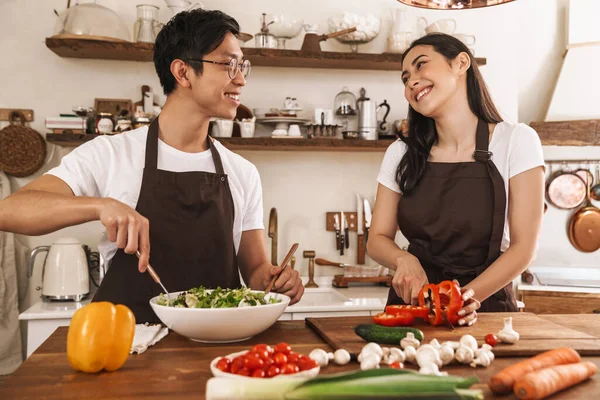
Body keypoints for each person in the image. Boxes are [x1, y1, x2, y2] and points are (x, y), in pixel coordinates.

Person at [0, 9, 304, 323]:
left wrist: (274, 281)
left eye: (243, 66)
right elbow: (10, 211)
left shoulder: (241, 171)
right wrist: (100, 206)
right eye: (229, 64)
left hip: (217, 350)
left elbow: (255, 272)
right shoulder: (112, 154)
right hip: (125, 349)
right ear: (183, 73)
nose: (240, 78)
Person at [367, 33, 544, 326]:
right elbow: (377, 240)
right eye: (405, 77)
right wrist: (403, 259)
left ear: (461, 63)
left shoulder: (516, 141)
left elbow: (524, 249)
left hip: (484, 309)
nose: (411, 81)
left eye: (421, 65)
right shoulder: (401, 152)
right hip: (413, 309)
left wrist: (464, 299)